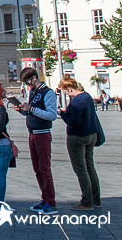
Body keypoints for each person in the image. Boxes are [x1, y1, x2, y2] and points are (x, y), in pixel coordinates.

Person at [12, 67, 58, 214]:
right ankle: (44, 199)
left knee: (45, 169)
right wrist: (23, 110)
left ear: (34, 78)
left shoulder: (48, 93)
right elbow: (31, 112)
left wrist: (30, 109)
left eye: (28, 82)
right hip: (32, 134)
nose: (27, 86)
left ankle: (51, 202)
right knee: (37, 169)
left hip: (43, 135)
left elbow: (52, 115)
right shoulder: (33, 92)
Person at [58, 77, 101, 210]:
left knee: (80, 169)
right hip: (91, 135)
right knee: (90, 167)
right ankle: (96, 199)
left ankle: (86, 202)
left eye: (66, 92)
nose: (66, 94)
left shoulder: (76, 101)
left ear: (70, 89)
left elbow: (74, 122)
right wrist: (68, 111)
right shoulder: (87, 96)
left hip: (77, 137)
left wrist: (62, 114)